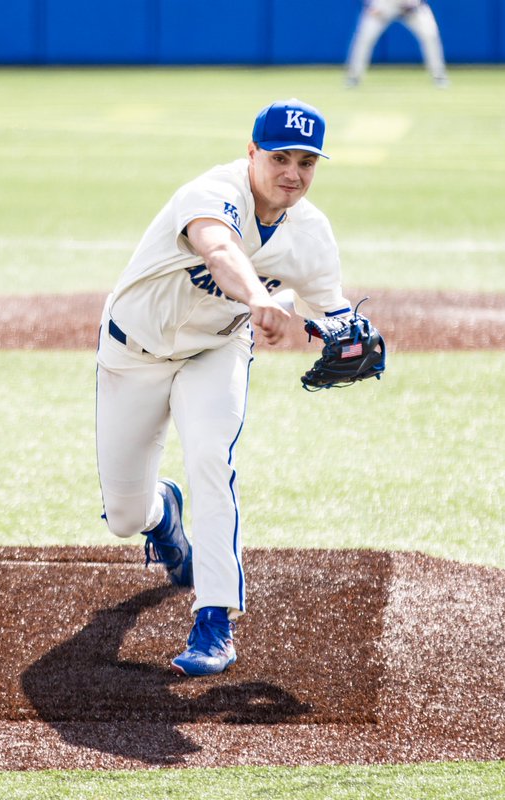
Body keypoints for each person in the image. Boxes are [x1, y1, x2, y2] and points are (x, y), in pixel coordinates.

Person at [95, 99, 354, 676]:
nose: (293, 173)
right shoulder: (212, 193)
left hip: (216, 349)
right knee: (122, 515)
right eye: (280, 156)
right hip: (132, 351)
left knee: (212, 460)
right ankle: (163, 516)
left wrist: (344, 332)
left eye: (307, 163)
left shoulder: (310, 233)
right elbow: (218, 250)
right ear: (252, 152)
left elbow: (333, 311)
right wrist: (264, 300)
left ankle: (214, 621)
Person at [345, 0, 450, 89]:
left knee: (430, 34)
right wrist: (370, 4)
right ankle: (354, 76)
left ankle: (439, 75)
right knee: (365, 37)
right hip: (383, 5)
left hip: (410, 5)